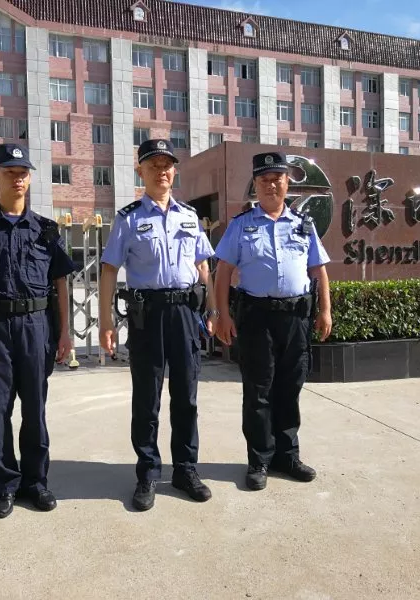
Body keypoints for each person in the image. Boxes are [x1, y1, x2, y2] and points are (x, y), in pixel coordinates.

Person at [0, 143, 75, 519]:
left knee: (35, 410)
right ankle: (6, 485)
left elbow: (61, 283)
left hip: (36, 327)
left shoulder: (45, 229)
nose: (18, 179)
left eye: (23, 173)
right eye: (10, 172)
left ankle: (36, 483)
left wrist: (65, 332)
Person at [98, 139, 217, 511]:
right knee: (147, 399)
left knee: (186, 397)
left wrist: (213, 310)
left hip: (185, 314)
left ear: (174, 171)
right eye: (153, 166)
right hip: (147, 316)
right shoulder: (129, 218)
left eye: (167, 165)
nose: (161, 171)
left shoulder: (189, 216)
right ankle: (148, 473)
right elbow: (109, 269)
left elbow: (203, 265)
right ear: (141, 172)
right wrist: (106, 322)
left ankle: (185, 470)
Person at [213, 151, 332, 492]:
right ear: (256, 184)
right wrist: (222, 314)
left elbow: (318, 270)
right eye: (264, 180)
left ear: (287, 183)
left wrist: (325, 311)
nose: (271, 185)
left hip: (295, 318)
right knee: (258, 391)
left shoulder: (303, 224)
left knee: (290, 388)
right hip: (257, 318)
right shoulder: (240, 225)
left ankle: (287, 456)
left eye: (277, 179)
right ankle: (259, 460)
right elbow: (223, 273)